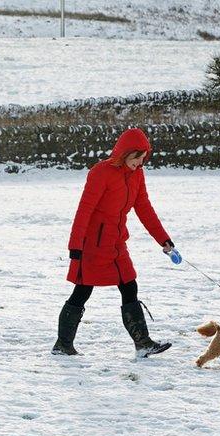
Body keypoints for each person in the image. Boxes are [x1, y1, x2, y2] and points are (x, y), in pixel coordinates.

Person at [53, 128, 175, 359]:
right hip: (92, 244)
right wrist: (75, 245)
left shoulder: (137, 175)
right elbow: (85, 209)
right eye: (136, 157)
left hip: (117, 243)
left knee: (129, 285)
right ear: (125, 153)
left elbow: (144, 208)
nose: (140, 163)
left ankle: (143, 344)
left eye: (143, 158)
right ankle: (63, 345)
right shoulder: (101, 172)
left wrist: (164, 239)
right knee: (82, 291)